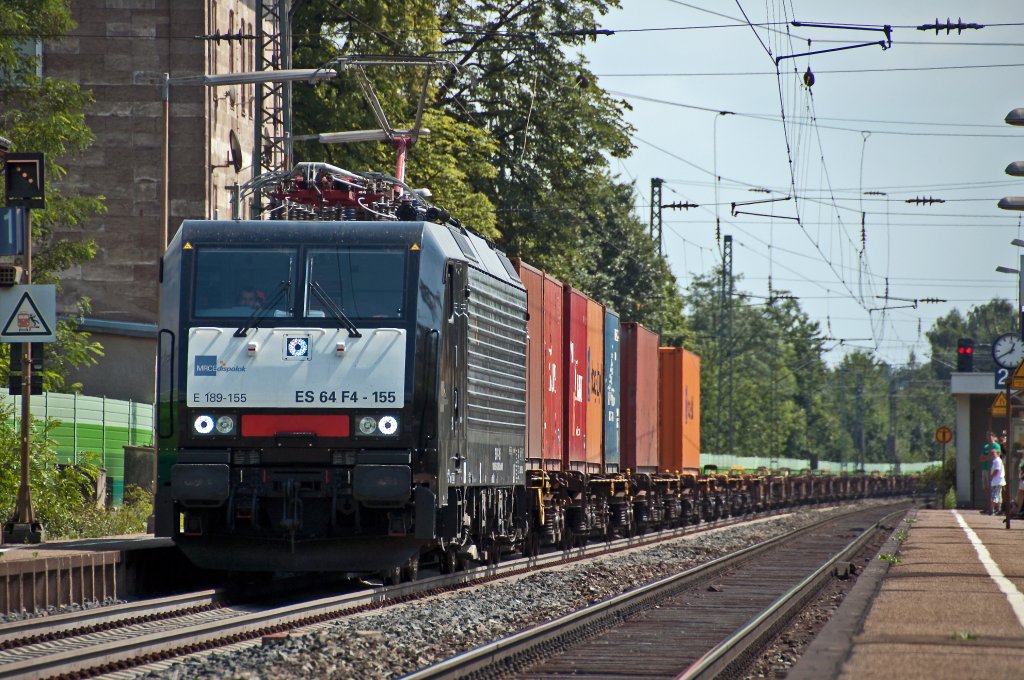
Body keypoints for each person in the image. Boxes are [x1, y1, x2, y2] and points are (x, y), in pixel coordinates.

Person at [989, 441, 1006, 516]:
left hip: (997, 481)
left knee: (995, 495)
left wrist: (991, 476)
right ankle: (998, 509)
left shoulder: (997, 461)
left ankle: (992, 510)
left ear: (996, 453)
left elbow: (997, 470)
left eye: (993, 453)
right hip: (996, 481)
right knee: (998, 495)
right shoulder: (995, 461)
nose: (992, 455)